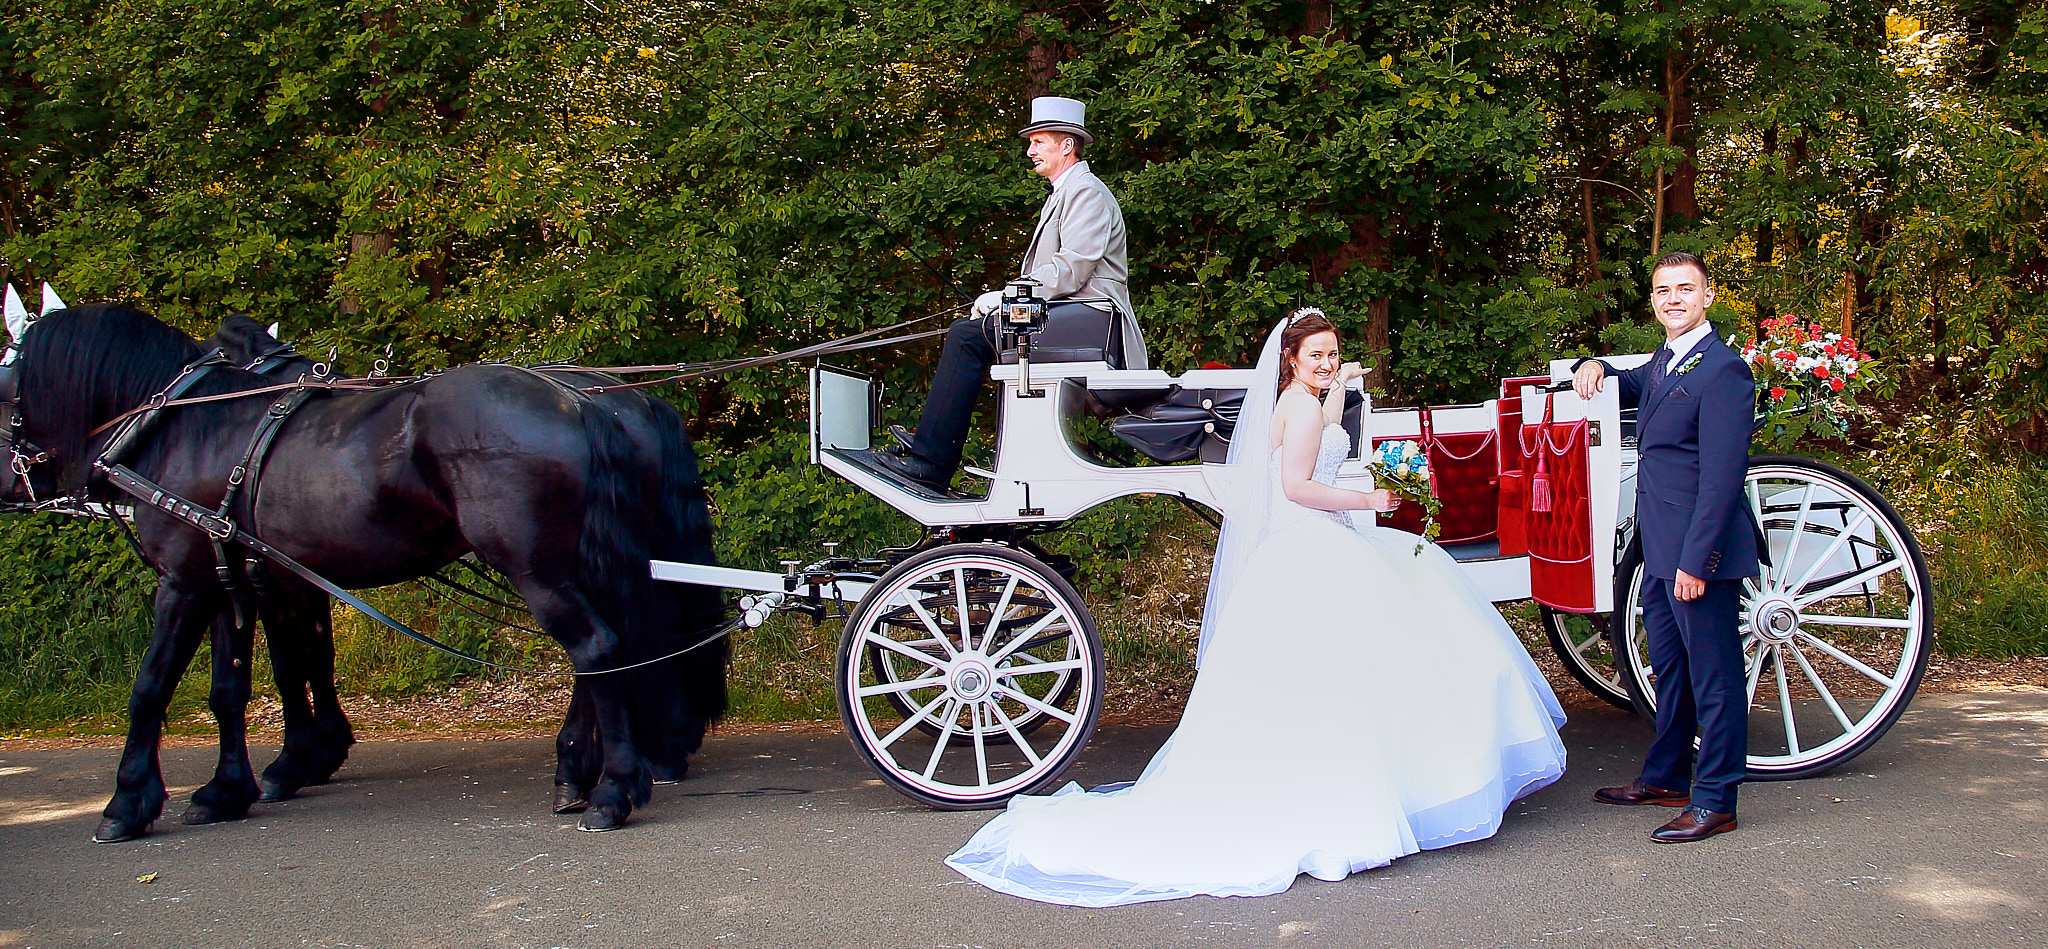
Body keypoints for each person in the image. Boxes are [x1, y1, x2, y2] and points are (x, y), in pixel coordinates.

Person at [944, 310, 1567, 906]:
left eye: (1335, 354)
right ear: (1289, 359)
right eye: (1316, 356)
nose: (1327, 363)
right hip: (1311, 542)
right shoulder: (1295, 408)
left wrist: (1340, 387)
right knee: (1357, 665)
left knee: (1347, 672)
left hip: (1316, 541)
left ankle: (1363, 795)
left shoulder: (1303, 402)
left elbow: (1319, 428)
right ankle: (1361, 801)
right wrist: (1368, 495)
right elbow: (1296, 486)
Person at [1572, 251, 1758, 843]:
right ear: (1653, 301)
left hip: (1697, 553)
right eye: (1662, 291)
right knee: (1671, 668)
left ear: (1708, 297)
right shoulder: (1666, 360)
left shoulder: (1722, 370)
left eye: (1685, 289)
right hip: (1658, 546)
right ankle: (1667, 778)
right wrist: (1593, 363)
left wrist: (1696, 563)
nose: (1673, 299)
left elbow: (1724, 476)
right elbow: (1630, 385)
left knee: (1715, 673)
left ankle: (1716, 799)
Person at [871, 96, 1144, 493]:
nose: (1030, 150)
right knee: (974, 331)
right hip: (1073, 318)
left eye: (1039, 142)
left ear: (1067, 145)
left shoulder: (1086, 192)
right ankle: (951, 457)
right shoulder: (1068, 192)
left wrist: (1010, 295)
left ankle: (930, 464)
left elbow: (1073, 267)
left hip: (1091, 320)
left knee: (967, 337)